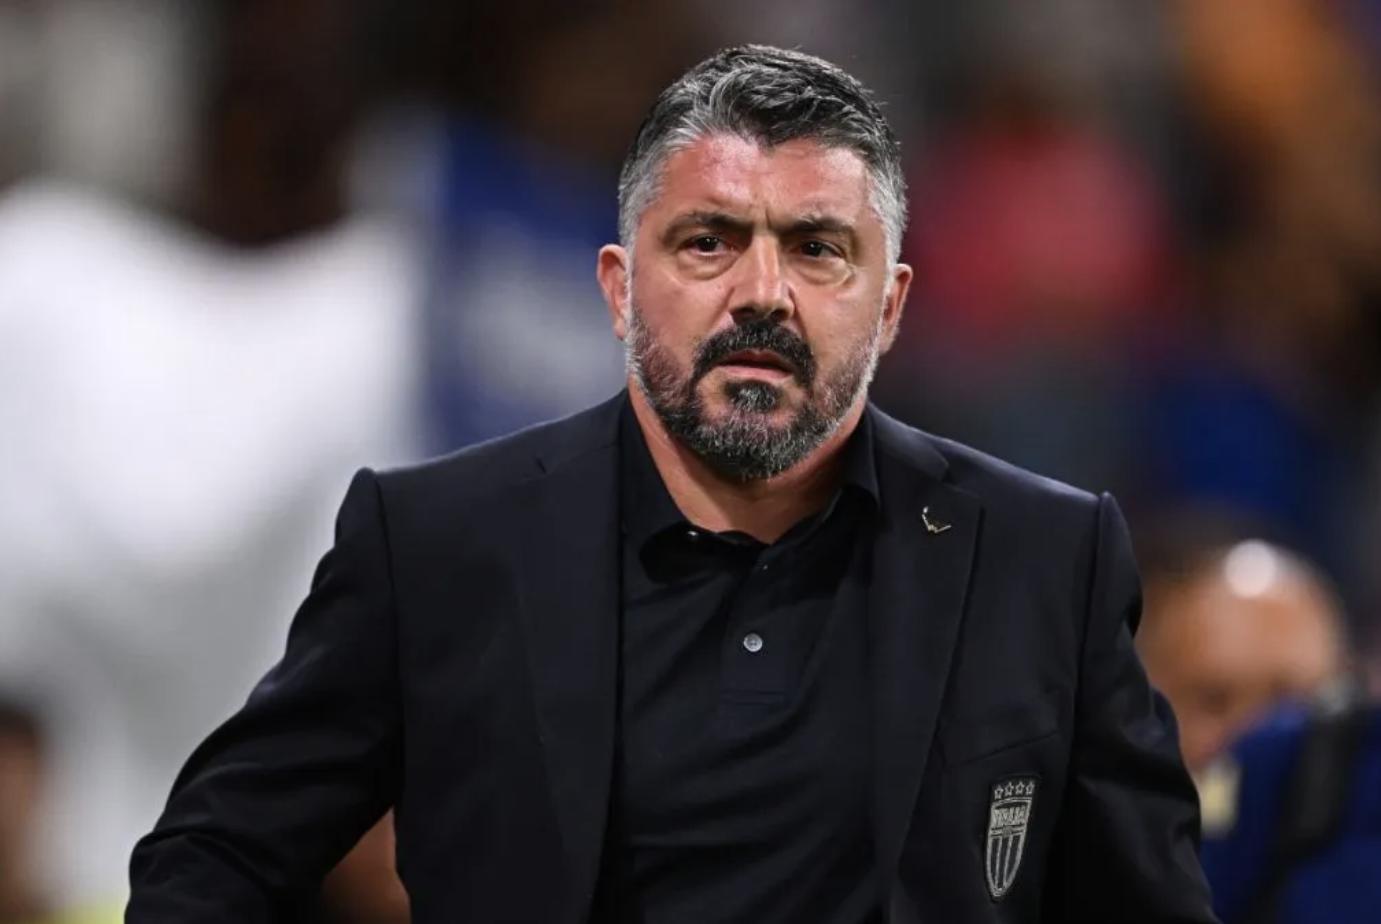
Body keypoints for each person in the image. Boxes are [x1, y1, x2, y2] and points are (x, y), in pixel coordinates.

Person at [127, 45, 1215, 923]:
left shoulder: (1042, 560)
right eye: (707, 242)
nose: (762, 293)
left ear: (888, 306)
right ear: (617, 289)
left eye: (816, 249)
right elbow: (214, 858)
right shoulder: (435, 547)